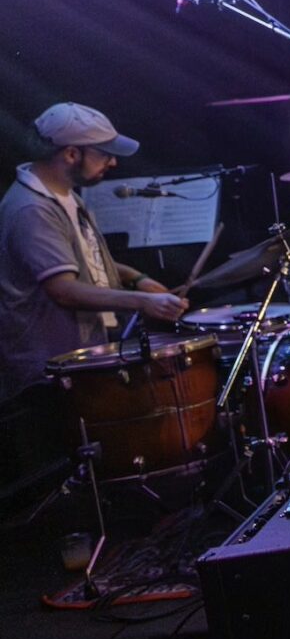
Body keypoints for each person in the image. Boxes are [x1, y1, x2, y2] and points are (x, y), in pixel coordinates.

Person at [1, 105, 188, 471]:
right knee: (73, 476)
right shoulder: (32, 210)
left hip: (74, 364)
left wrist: (136, 278)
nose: (113, 163)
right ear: (71, 154)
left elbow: (84, 260)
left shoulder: (64, 195)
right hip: (47, 375)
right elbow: (63, 289)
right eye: (104, 154)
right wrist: (141, 302)